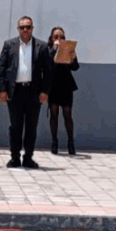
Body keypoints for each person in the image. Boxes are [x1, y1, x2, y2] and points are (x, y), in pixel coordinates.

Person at [0, 16, 52, 169]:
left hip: (33, 92)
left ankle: (28, 157)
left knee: (31, 126)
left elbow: (48, 72)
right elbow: (1, 68)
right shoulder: (9, 45)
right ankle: (14, 158)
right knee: (15, 126)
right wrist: (2, 89)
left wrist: (45, 91)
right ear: (18, 29)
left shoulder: (41, 46)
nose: (25, 30)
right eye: (22, 27)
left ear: (32, 28)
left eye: (28, 27)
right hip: (15, 92)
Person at [46, 27, 80, 156]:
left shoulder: (68, 49)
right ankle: (54, 142)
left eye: (62, 37)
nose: (59, 39)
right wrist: (54, 48)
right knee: (54, 113)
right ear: (52, 38)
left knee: (67, 114)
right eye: (56, 37)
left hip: (66, 84)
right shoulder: (48, 49)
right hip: (54, 85)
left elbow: (75, 67)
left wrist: (73, 58)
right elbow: (47, 64)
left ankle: (71, 142)